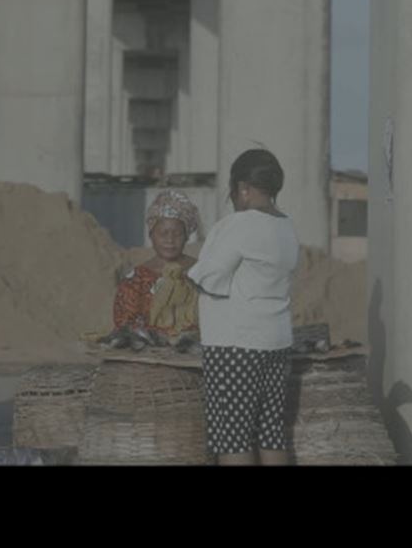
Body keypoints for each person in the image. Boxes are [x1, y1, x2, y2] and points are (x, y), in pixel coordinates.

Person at [188, 148, 301, 466]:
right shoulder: (286, 226)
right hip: (276, 342)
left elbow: (208, 278)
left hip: (236, 346)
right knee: (271, 433)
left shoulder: (240, 224)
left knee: (233, 439)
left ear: (243, 188)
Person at [106, 190, 203, 348]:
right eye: (163, 233)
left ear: (187, 236)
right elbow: (124, 325)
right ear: (151, 234)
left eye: (177, 233)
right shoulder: (135, 280)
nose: (170, 240)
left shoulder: (202, 273)